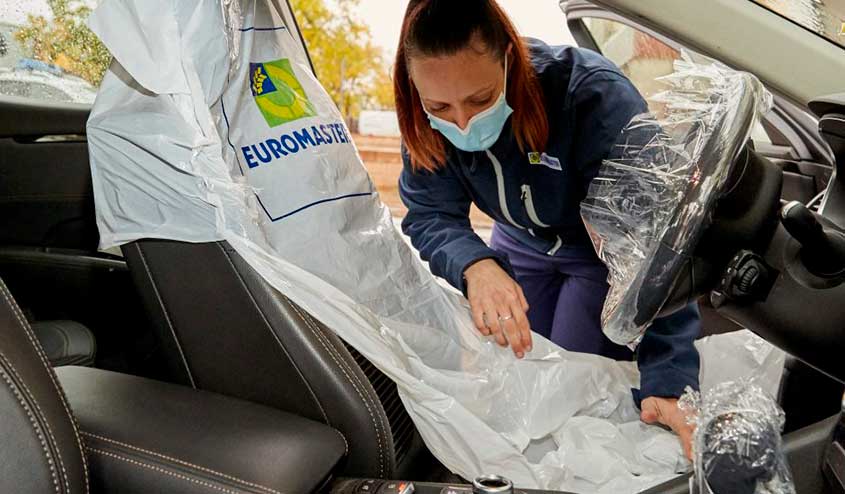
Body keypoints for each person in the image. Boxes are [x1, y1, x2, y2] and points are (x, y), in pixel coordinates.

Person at [394, 0, 701, 457]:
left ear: (509, 60)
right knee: (522, 373)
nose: (462, 122)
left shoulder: (591, 94)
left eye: (480, 100)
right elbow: (430, 214)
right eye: (440, 106)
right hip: (516, 245)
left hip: (600, 254)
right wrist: (475, 265)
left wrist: (670, 378)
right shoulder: (423, 119)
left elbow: (657, 236)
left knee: (576, 387)